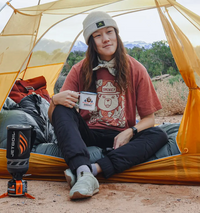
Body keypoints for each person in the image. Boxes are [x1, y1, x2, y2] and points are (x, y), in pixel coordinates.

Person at [48, 11, 168, 200]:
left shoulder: (136, 69)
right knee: (62, 106)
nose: (105, 39)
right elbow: (56, 118)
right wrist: (55, 101)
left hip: (121, 138)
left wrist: (131, 132)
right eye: (98, 35)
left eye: (109, 32)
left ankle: (91, 171)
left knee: (159, 134)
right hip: (87, 134)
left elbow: (149, 120)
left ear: (117, 35)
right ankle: (82, 170)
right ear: (91, 42)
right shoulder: (79, 69)